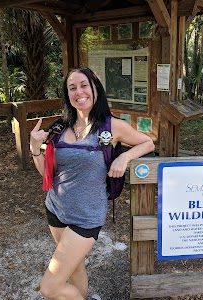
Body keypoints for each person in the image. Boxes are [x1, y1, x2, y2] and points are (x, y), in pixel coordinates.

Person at [29, 66, 155, 300]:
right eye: (72, 88)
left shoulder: (111, 126)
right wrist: (35, 149)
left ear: (95, 89)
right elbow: (48, 174)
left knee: (50, 288)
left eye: (84, 85)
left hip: (87, 217)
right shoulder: (60, 128)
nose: (79, 92)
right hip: (55, 209)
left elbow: (148, 143)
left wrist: (124, 156)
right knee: (76, 267)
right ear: (67, 95)